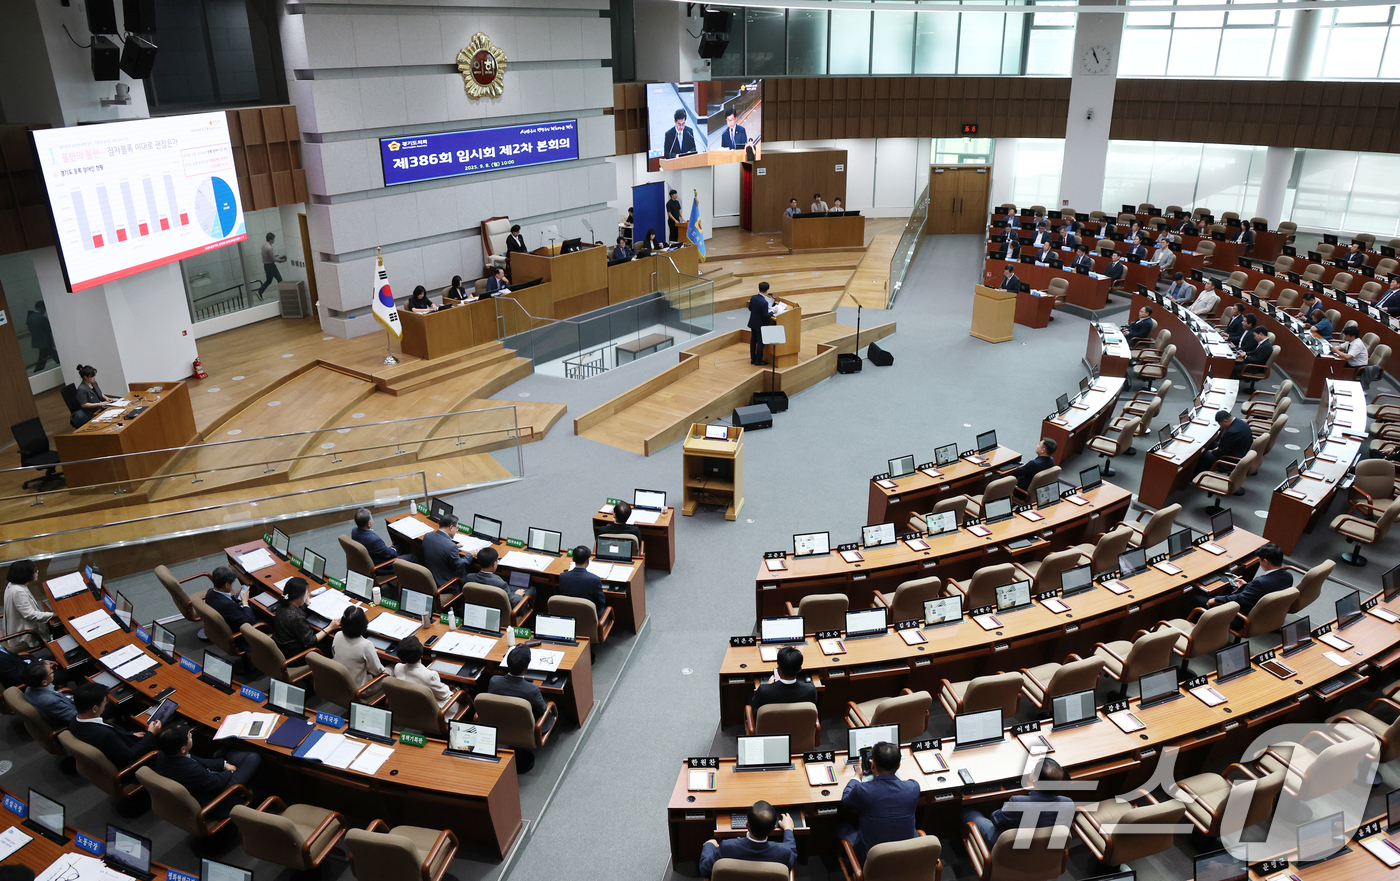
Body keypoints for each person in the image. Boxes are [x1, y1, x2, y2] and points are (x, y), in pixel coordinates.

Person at [962, 758, 1074, 846]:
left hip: (1007, 850)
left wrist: (1007, 808)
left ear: (1034, 779)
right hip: (1043, 856)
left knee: (969, 812)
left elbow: (996, 819)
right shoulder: (1068, 804)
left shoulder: (1019, 802)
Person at [838, 741, 920, 862]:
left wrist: (857, 776)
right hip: (906, 857)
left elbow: (846, 800)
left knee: (842, 828)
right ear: (899, 765)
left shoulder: (863, 790)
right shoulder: (913, 788)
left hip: (873, 860)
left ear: (872, 764)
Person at [154, 723, 260, 811]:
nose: (191, 735)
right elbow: (216, 781)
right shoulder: (191, 769)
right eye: (189, 736)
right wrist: (230, 772)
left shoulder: (164, 753)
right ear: (183, 749)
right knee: (253, 758)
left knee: (222, 752)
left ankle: (224, 757)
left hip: (201, 786)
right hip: (215, 800)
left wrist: (223, 764)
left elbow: (195, 759)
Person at [70, 682, 161, 768]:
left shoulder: (75, 720)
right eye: (104, 703)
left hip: (122, 746)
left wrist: (130, 735)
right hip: (137, 765)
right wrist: (150, 734)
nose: (106, 705)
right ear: (94, 709)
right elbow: (130, 756)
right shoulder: (104, 734)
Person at [698, 801, 797, 876]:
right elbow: (792, 853)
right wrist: (788, 829)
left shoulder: (727, 847)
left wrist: (709, 845)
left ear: (747, 824)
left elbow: (704, 868)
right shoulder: (783, 852)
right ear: (773, 829)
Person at [1206, 544, 1292, 613]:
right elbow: (1262, 591)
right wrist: (1246, 586)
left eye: (1260, 560)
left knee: (1196, 598)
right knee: (1229, 589)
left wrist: (1216, 599)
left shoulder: (1260, 582)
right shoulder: (1288, 576)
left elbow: (1241, 599)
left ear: (1265, 562)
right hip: (1265, 610)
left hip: (1243, 613)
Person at [272, 577, 338, 659]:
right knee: (331, 646)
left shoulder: (282, 603)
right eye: (306, 593)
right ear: (300, 597)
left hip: (282, 647)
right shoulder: (296, 617)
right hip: (294, 655)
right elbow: (310, 641)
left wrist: (305, 603)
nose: (308, 594)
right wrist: (330, 627)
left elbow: (295, 609)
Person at [488, 645, 551, 724]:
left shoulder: (494, 681)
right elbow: (542, 709)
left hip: (500, 722)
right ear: (526, 669)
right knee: (551, 699)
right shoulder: (532, 690)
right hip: (525, 725)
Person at [332, 607, 386, 696]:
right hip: (360, 689)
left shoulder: (337, 635)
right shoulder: (366, 645)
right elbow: (377, 671)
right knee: (392, 669)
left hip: (342, 683)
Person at [393, 636, 458, 708]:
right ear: (421, 653)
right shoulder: (430, 675)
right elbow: (444, 696)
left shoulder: (397, 668)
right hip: (435, 710)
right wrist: (444, 686)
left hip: (411, 706)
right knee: (459, 689)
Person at [750, 646, 816, 712]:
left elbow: (755, 709)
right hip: (798, 722)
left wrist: (768, 686)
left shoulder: (764, 691)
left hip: (772, 722)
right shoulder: (810, 690)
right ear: (800, 670)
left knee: (750, 698)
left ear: (778, 669)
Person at [464, 546, 534, 607]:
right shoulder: (501, 584)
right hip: (502, 614)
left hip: (478, 608)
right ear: (494, 564)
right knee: (532, 590)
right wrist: (518, 595)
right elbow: (513, 603)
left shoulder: (469, 577)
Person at [4, 560, 51, 649]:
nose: (37, 572)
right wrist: (52, 615)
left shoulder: (12, 585)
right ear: (25, 574)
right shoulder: (18, 591)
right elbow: (30, 615)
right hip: (24, 635)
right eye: (34, 571)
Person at [418, 514, 471, 588]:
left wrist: (453, 548)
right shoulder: (450, 547)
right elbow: (460, 565)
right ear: (451, 527)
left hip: (431, 579)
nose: (456, 530)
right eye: (456, 528)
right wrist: (471, 554)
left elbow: (439, 547)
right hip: (446, 584)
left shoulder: (427, 536)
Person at [1198, 409, 1254, 474]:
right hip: (1241, 450)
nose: (1221, 426)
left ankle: (1198, 474)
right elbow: (1226, 445)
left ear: (1225, 421)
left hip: (1233, 459)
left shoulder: (1231, 432)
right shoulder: (1241, 422)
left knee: (1204, 455)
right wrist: (1218, 448)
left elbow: (1223, 451)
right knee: (1212, 444)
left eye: (1220, 424)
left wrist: (1213, 451)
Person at [203, 565, 256, 633]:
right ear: (227, 585)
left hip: (231, 618)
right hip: (244, 631)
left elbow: (224, 599)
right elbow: (248, 622)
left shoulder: (210, 592)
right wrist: (245, 602)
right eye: (232, 583)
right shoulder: (227, 605)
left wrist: (235, 597)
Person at [22, 661, 74, 726]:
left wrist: (46, 666)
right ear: (44, 682)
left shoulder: (30, 688)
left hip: (65, 701)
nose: (53, 671)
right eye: (51, 671)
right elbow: (75, 717)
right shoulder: (51, 702)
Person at [558, 546, 607, 615]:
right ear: (588, 561)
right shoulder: (594, 579)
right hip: (589, 617)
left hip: (569, 613)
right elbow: (601, 602)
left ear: (573, 559)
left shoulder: (563, 576)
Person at [748, 281, 777, 365]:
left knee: (753, 341)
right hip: (761, 325)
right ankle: (758, 361)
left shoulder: (753, 297)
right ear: (767, 290)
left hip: (753, 323)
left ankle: (753, 359)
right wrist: (773, 312)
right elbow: (765, 315)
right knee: (761, 343)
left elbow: (750, 308)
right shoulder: (764, 302)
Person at [26, 301, 57, 373]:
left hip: (38, 341)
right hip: (45, 341)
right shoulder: (42, 318)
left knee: (43, 356)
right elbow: (48, 328)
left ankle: (38, 370)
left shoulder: (30, 317)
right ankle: (38, 370)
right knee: (51, 355)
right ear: (42, 308)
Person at [255, 232, 285, 298]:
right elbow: (273, 259)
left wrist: (275, 256)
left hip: (266, 266)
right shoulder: (270, 248)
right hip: (271, 266)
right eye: (273, 239)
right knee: (280, 280)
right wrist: (281, 260)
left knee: (268, 280)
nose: (274, 240)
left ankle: (260, 291)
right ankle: (283, 294)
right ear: (271, 239)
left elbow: (268, 256)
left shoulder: (263, 246)